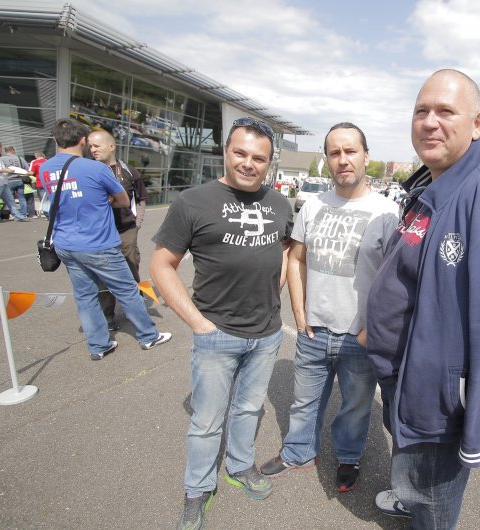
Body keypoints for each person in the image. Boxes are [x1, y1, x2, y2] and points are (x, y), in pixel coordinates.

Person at [366, 69, 480, 528]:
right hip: (405, 380)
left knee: (434, 499)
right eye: (421, 111)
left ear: (477, 123)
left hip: (438, 402)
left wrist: (478, 424)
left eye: (446, 111)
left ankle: (422, 510)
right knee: (413, 476)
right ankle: (409, 497)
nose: (430, 122)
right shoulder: (433, 185)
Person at [149, 117, 293, 530]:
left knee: (248, 408)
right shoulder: (193, 202)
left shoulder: (280, 204)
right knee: (207, 421)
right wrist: (198, 324)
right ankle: (197, 488)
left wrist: (275, 292)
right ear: (226, 152)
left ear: (269, 162)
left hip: (266, 334)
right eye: (240, 153)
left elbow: (285, 250)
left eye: (259, 158)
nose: (248, 163)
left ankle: (240, 466)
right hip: (216, 334)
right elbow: (161, 265)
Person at [260, 123, 398, 492]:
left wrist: (374, 328)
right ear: (327, 159)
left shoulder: (388, 212)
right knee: (304, 402)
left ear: (366, 156)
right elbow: (296, 259)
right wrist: (299, 312)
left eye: (350, 151)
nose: (343, 159)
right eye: (335, 153)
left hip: (360, 335)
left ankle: (349, 457)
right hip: (314, 330)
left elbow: (395, 279)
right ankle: (298, 451)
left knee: (356, 407)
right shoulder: (313, 206)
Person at [39, 119, 172, 361]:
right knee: (127, 291)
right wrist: (104, 200)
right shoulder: (96, 169)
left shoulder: (45, 168)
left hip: (65, 244)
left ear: (56, 139)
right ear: (82, 141)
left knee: (85, 296)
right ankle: (148, 336)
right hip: (98, 242)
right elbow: (123, 200)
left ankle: (99, 345)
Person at [88, 130, 149, 331]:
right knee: (103, 275)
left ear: (111, 146)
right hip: (99, 233)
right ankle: (107, 315)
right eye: (90, 146)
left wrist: (137, 223)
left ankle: (137, 310)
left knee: (131, 269)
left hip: (126, 230)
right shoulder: (88, 171)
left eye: (96, 146)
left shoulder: (129, 171)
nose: (92, 150)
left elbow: (141, 198)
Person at [0, 140, 28, 224]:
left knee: (10, 199)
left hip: (2, 181)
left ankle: (17, 215)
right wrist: (4, 170)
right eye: (1, 148)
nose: (1, 150)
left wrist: (5, 170)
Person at [1, 145, 31, 220]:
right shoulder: (20, 158)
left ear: (5, 151)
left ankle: (14, 214)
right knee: (22, 198)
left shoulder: (1, 159)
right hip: (20, 180)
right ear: (13, 150)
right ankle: (23, 214)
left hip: (9, 180)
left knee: (10, 199)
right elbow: (27, 169)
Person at [29, 151, 48, 216]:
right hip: (48, 182)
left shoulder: (34, 162)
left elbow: (31, 172)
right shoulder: (47, 161)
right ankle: (52, 214)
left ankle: (47, 214)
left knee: (43, 200)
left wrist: (22, 174)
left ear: (36, 156)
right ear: (43, 156)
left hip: (40, 182)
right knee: (49, 199)